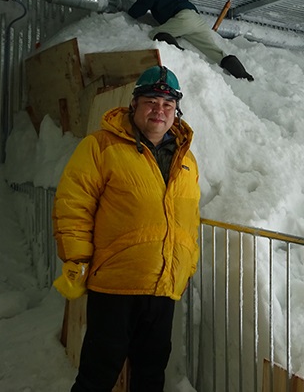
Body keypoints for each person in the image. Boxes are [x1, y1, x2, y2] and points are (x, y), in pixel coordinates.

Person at [52, 65, 201, 391]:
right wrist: (77, 257)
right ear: (134, 105)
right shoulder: (101, 146)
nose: (159, 110)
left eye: (167, 105)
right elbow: (74, 202)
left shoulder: (186, 160)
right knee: (98, 374)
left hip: (163, 288)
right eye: (151, 101)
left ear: (176, 111)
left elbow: (188, 219)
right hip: (115, 286)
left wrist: (185, 267)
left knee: (151, 375)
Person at [128, 0, 254, 81]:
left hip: (183, 18)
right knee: (214, 51)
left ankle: (181, 55)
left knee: (155, 34)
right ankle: (243, 75)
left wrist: (128, 14)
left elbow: (139, 8)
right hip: (197, 20)